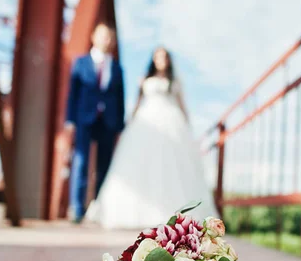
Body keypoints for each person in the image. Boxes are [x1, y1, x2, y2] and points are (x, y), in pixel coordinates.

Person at [85, 47, 218, 229]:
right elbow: (137, 104)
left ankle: (171, 213)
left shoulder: (174, 81)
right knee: (140, 163)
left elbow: (182, 105)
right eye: (157, 56)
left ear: (168, 60)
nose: (160, 60)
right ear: (153, 60)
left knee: (171, 166)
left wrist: (188, 130)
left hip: (171, 122)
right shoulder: (145, 80)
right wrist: (130, 123)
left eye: (164, 56)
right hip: (146, 122)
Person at [65, 23, 125, 223]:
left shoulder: (116, 67)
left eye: (110, 37)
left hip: (108, 121)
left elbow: (120, 97)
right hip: (84, 118)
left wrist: (120, 125)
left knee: (104, 165)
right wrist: (70, 119)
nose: (107, 40)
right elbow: (73, 93)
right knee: (80, 161)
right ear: (93, 37)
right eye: (103, 36)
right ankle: (77, 208)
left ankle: (98, 209)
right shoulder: (80, 63)